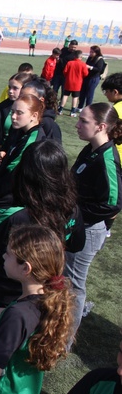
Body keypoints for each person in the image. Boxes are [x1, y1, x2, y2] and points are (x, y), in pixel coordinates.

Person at [0, 140, 85, 319]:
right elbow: (77, 244)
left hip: (9, 298)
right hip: (44, 295)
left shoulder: (18, 217)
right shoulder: (72, 209)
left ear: (26, 175)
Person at [0, 225, 74, 394]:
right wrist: (3, 312)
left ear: (26, 268)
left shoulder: (17, 315)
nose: (3, 256)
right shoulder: (48, 300)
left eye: (9, 254)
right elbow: (29, 324)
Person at [65, 102, 122, 336]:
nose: (77, 125)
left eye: (84, 121)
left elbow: (113, 203)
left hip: (87, 231)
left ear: (101, 127)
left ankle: (65, 340)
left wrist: (77, 215)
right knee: (64, 280)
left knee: (74, 287)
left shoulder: (107, 158)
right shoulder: (90, 149)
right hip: (76, 225)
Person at [0, 94, 47, 226]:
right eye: (12, 112)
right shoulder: (21, 132)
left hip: (9, 204)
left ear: (34, 115)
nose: (13, 117)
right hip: (2, 199)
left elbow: (10, 174)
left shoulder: (32, 140)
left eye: (19, 113)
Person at [78, 45, 106, 111]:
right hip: (87, 77)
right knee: (82, 92)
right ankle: (80, 107)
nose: (90, 53)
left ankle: (88, 108)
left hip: (94, 78)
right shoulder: (90, 57)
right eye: (90, 51)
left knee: (89, 93)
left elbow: (99, 69)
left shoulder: (100, 59)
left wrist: (90, 67)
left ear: (96, 52)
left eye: (92, 52)